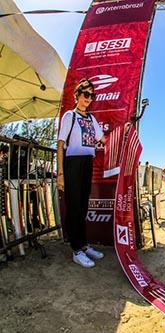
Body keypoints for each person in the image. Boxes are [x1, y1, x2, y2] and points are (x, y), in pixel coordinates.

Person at [56, 78, 105, 268]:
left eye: (92, 95)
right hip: (72, 163)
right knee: (74, 207)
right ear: (77, 95)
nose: (89, 99)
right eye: (86, 94)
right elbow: (60, 145)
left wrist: (122, 133)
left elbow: (103, 139)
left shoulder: (92, 119)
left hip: (87, 162)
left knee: (83, 207)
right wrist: (60, 173)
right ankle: (76, 249)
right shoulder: (70, 116)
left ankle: (83, 245)